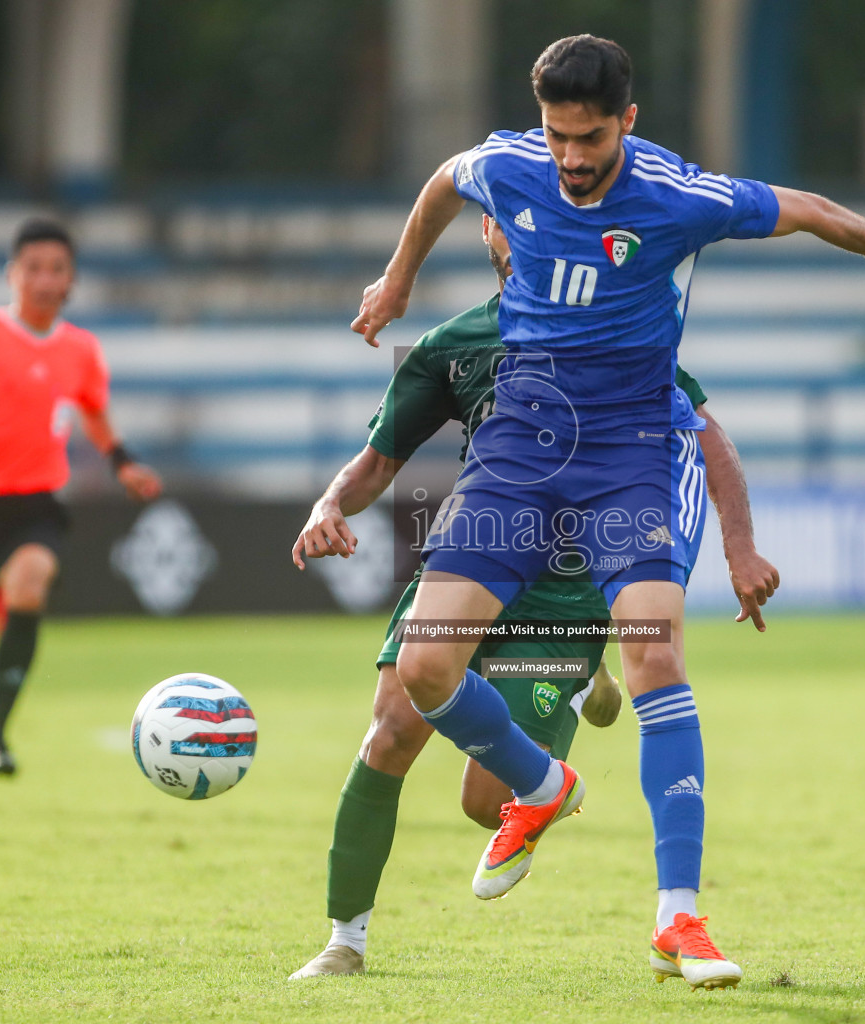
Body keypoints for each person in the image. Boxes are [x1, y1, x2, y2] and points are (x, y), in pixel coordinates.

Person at [351, 35, 865, 988]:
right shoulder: (510, 164)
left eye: (589, 138)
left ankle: (680, 918)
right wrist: (397, 281)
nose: (571, 158)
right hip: (517, 450)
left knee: (653, 654)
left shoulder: (679, 195)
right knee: (426, 668)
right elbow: (441, 181)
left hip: (628, 456)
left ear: (627, 122)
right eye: (557, 136)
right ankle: (543, 783)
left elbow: (808, 211)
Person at [288, 214, 776, 979]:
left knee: (485, 803)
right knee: (389, 731)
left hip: (568, 589)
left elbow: (704, 433)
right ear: (488, 231)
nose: (519, 229)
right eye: (506, 217)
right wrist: (327, 506)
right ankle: (343, 942)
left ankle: (581, 688)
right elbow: (378, 463)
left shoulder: (613, 330)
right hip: (472, 559)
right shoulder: (452, 346)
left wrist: (738, 542)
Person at [0, 217, 161, 774]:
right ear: (13, 275)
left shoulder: (81, 350)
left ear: (71, 280)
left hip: (35, 506)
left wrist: (122, 462)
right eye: (34, 267)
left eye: (57, 269)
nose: (45, 279)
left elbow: (93, 410)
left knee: (30, 582)